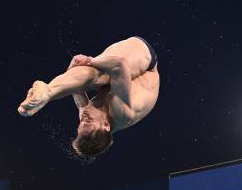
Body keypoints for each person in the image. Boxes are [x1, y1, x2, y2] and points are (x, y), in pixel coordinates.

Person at [17, 36, 160, 157]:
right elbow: (119, 65)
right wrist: (90, 60)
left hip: (120, 76)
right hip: (146, 62)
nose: (83, 116)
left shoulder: (88, 120)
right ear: (106, 125)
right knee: (97, 74)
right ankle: (48, 92)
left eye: (80, 123)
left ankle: (46, 93)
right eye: (88, 120)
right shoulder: (121, 111)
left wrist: (71, 69)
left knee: (92, 78)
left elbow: (76, 89)